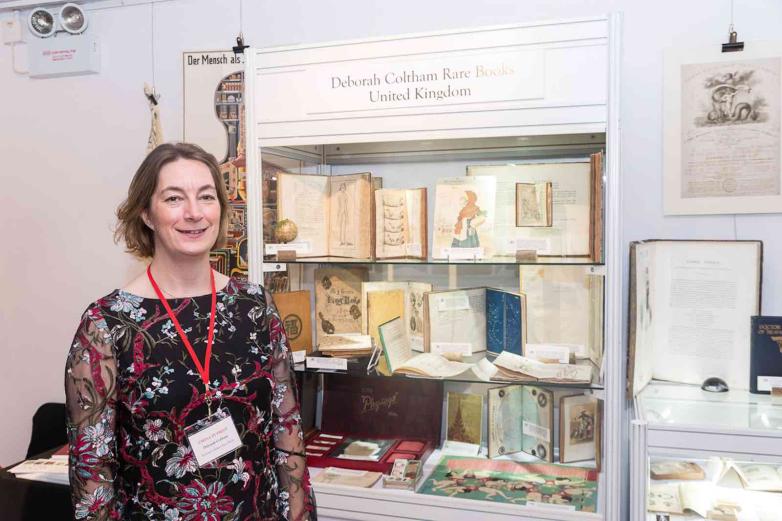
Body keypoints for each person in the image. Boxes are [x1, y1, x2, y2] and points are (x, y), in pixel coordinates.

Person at [65, 143, 315, 520]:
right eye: (174, 198)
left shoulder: (256, 307)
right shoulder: (106, 325)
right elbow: (92, 476)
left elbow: (288, 435)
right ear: (147, 214)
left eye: (206, 196)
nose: (194, 212)